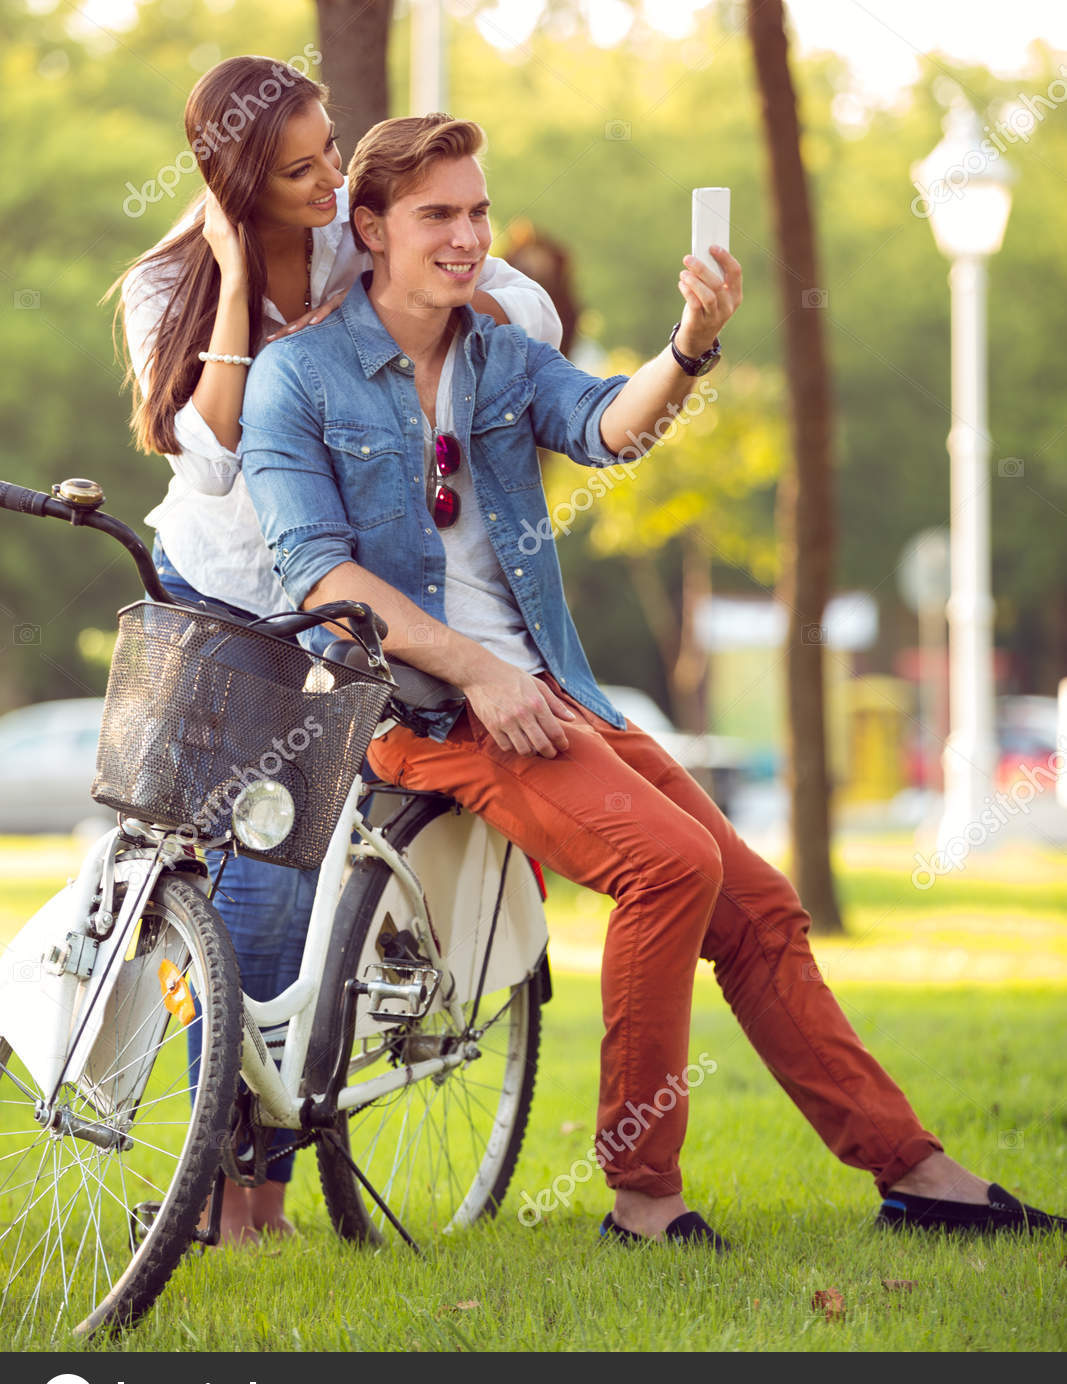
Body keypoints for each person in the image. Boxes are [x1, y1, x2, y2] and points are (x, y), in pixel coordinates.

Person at [240, 111, 1065, 1247]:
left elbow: (604, 426)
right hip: (419, 707)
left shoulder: (493, 351)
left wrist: (687, 344)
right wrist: (478, 672)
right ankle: (642, 1197)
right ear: (369, 225)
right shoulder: (299, 377)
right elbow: (317, 572)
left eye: (477, 210)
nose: (467, 235)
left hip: (554, 689)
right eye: (437, 214)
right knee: (666, 862)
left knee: (762, 909)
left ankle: (913, 1171)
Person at [115, 61, 564, 1243]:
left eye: (332, 155)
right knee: (206, 900)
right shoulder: (162, 282)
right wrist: (223, 260)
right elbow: (210, 458)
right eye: (304, 166)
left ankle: (245, 1198)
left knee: (277, 884)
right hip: (218, 607)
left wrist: (430, 300)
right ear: (237, 180)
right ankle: (223, 1181)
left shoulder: (343, 254)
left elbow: (528, 311)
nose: (331, 180)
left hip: (333, 609)